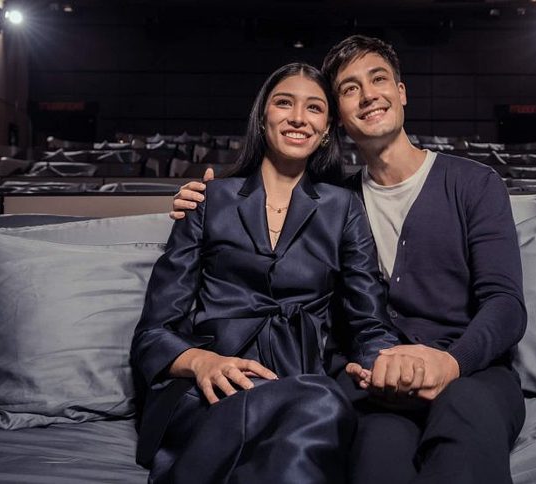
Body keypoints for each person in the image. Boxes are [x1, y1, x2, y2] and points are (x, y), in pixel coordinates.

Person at [172, 36, 527, 484]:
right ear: (338, 117)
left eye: (378, 80)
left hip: (471, 373)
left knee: (463, 423)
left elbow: (506, 304)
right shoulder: (335, 202)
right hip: (376, 382)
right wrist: (202, 199)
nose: (368, 95)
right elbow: (268, 207)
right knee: (376, 456)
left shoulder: (474, 183)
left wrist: (450, 363)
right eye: (349, 88)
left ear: (401, 92)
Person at [132, 62, 410, 484]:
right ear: (263, 117)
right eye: (285, 103)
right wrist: (203, 362)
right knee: (321, 406)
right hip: (212, 388)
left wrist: (382, 366)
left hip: (302, 378)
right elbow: (153, 333)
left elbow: (369, 322)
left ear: (326, 127)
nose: (299, 118)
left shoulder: (343, 208)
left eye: (314, 108)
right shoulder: (208, 200)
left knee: (318, 403)